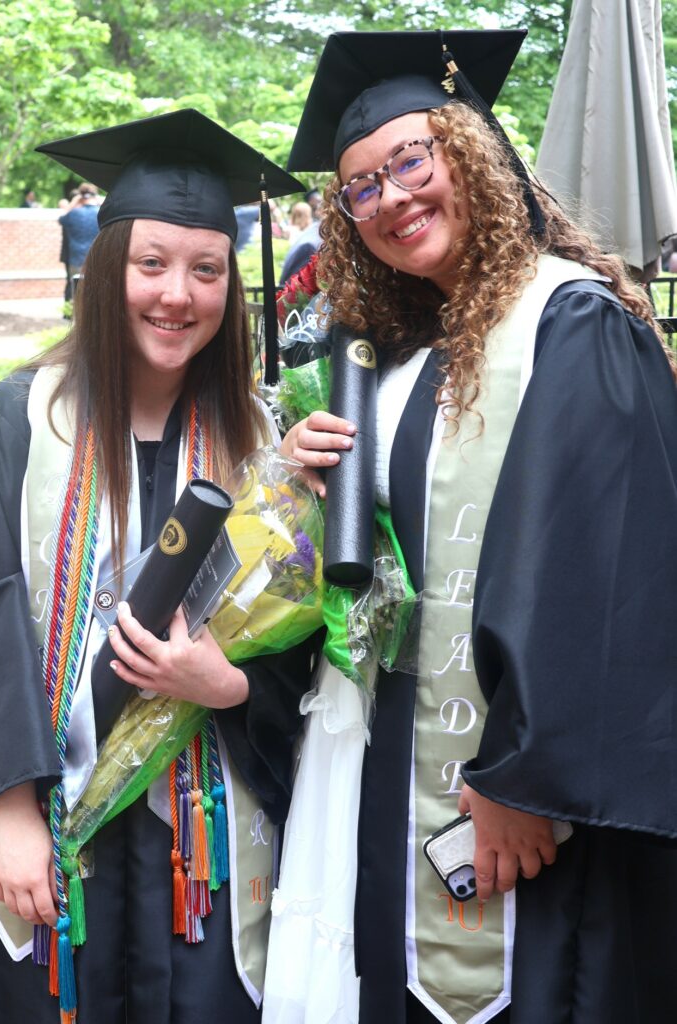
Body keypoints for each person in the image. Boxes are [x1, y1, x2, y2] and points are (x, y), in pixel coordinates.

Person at [265, 29, 677, 1024]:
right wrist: (308, 489)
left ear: (475, 155)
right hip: (406, 781)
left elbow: (614, 560)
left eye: (411, 160)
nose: (390, 199)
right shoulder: (406, 359)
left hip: (527, 807)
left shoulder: (566, 321)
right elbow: (391, 582)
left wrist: (526, 779)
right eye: (360, 187)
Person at [0, 108, 312, 1024]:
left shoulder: (262, 442)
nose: (177, 294)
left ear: (231, 285)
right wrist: (12, 817)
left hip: (206, 844)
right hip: (44, 829)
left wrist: (230, 689)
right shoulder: (18, 421)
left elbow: (308, 643)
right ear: (108, 274)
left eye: (206, 269)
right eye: (151, 265)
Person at [58, 181, 101, 295]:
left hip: (76, 260)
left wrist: (73, 203)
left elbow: (61, 219)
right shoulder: (101, 214)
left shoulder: (73, 214)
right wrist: (99, 201)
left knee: (76, 293)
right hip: (97, 260)